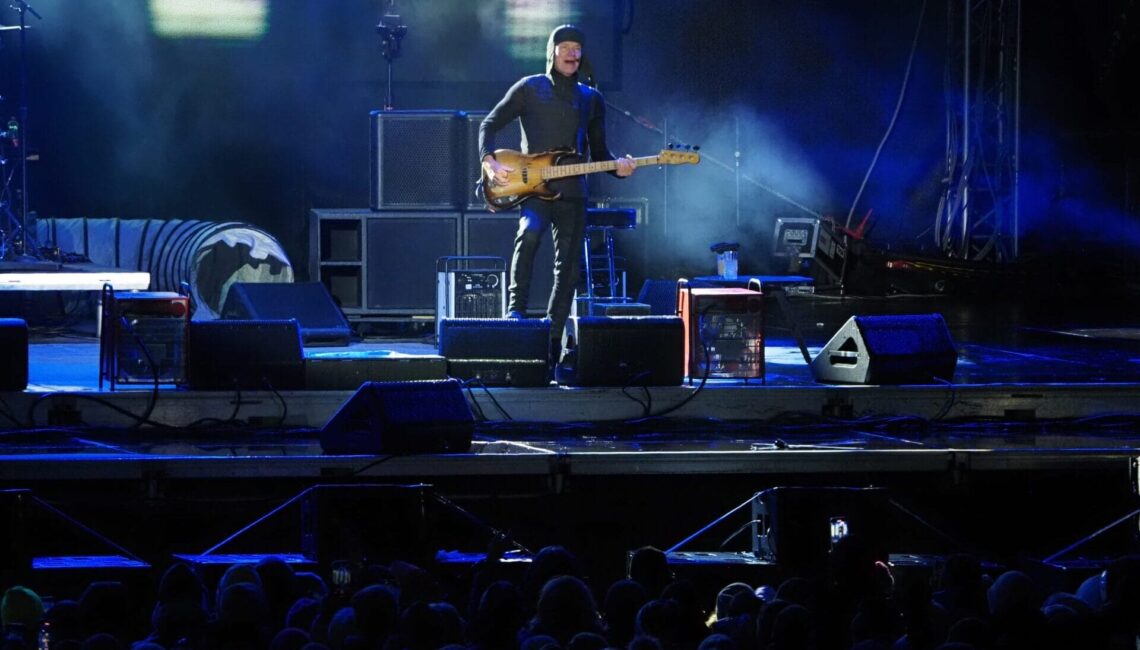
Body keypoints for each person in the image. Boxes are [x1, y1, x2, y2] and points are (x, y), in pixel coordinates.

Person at [479, 24, 635, 367]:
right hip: (533, 188)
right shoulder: (530, 88)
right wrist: (489, 162)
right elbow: (488, 125)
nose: (572, 53)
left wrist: (619, 167)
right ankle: (515, 315)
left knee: (568, 269)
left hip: (574, 192)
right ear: (552, 51)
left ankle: (551, 340)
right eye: (565, 46)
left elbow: (599, 153)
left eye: (577, 48)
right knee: (529, 233)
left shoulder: (591, 98)